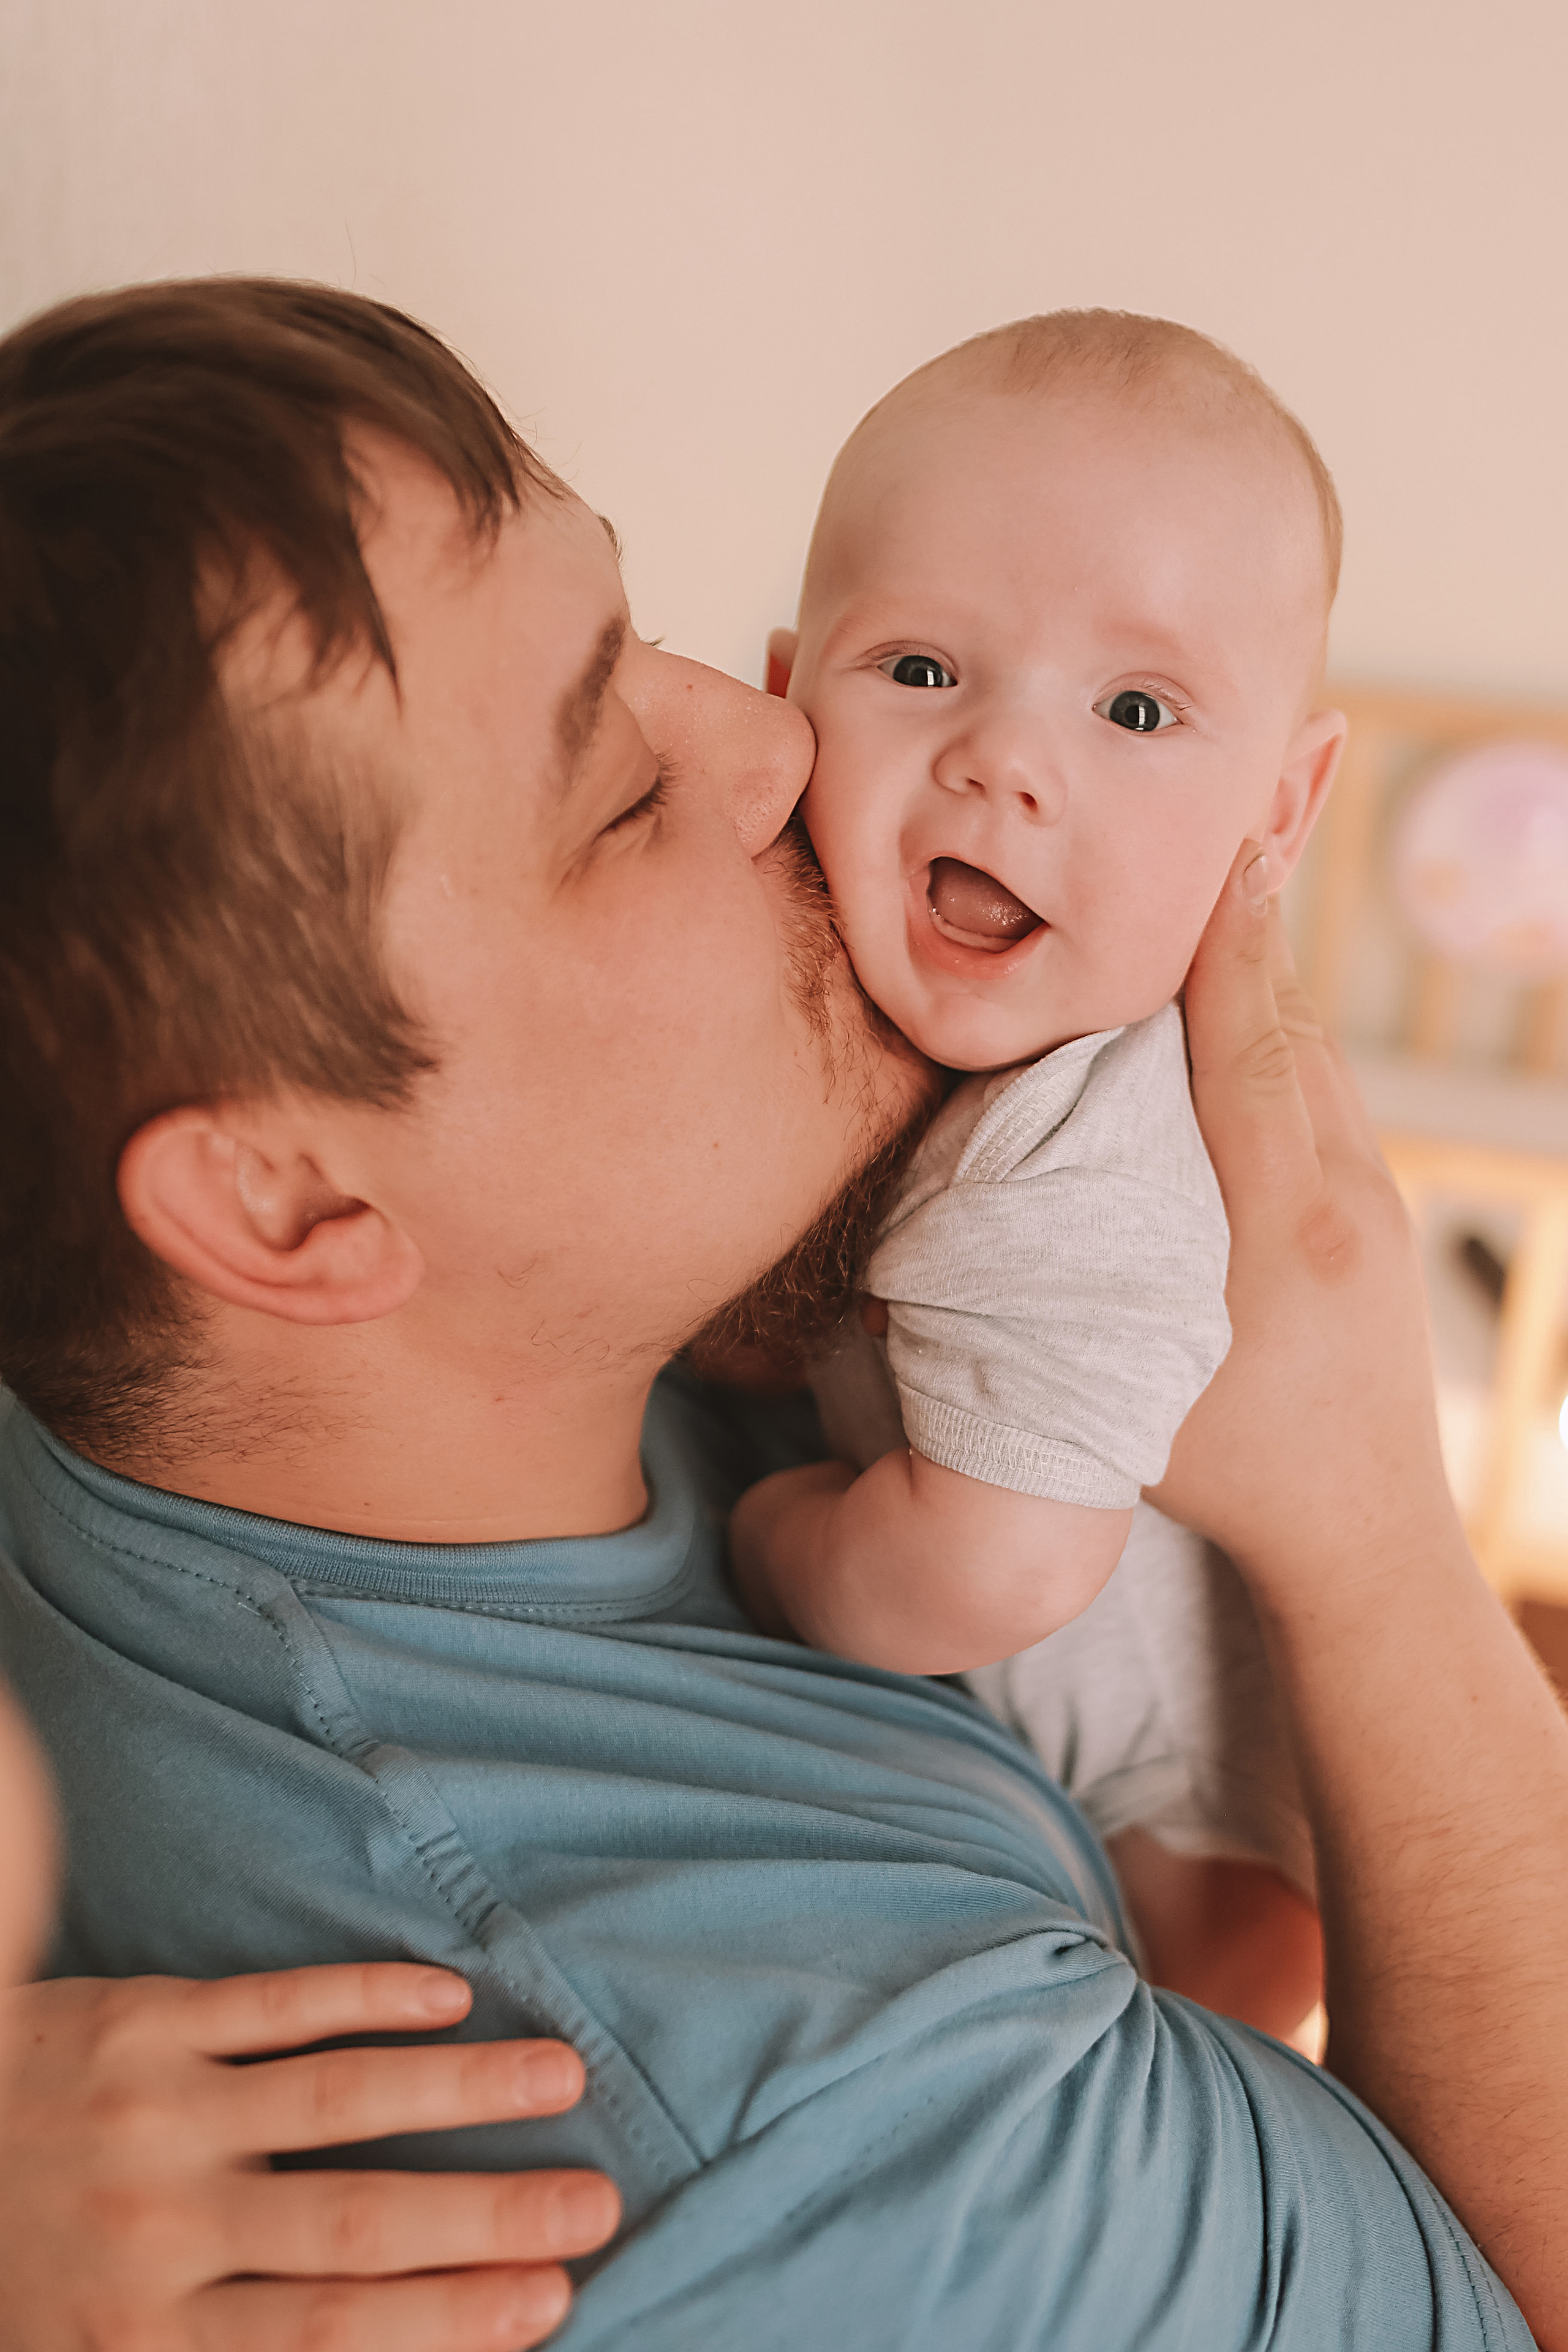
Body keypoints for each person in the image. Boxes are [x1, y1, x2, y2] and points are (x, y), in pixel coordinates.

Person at [0, 278, 1565, 2351]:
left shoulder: (157, 1387)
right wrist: (1374, 1534)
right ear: (286, 1199)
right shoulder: (862, 2140)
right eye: (614, 792)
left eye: (641, 641)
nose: (772, 733)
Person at [733, 311, 1343, 2024]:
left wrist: (775, 1539)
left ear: (1279, 817)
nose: (1005, 759)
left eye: (1138, 708)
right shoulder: (888, 1023)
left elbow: (999, 1566)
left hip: (1196, 1847)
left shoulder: (1093, 1142)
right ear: (789, 702)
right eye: (920, 670)